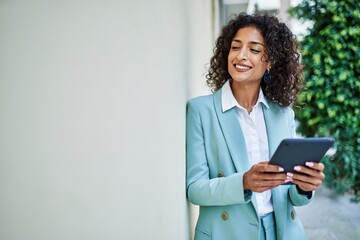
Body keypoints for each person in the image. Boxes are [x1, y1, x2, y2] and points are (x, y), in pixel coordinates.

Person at [186, 13, 325, 240]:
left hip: (280, 231)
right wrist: (244, 182)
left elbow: (291, 196)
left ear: (269, 61)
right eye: (235, 47)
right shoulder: (201, 111)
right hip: (227, 233)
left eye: (254, 49)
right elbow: (195, 189)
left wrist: (304, 186)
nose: (241, 56)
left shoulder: (283, 115)